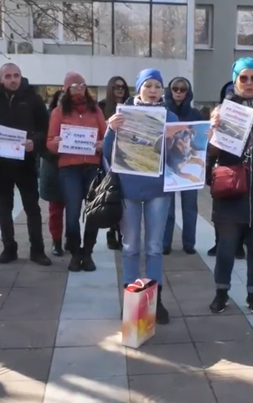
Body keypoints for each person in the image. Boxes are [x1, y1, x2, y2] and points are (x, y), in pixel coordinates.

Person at [206, 57, 253, 316]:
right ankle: (221, 292)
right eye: (244, 78)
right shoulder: (223, 110)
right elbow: (210, 153)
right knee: (226, 246)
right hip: (231, 186)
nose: (249, 83)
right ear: (235, 79)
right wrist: (212, 132)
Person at [104, 68, 178, 325]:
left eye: (158, 86)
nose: (154, 90)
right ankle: (132, 300)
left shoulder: (170, 116)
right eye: (148, 85)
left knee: (155, 248)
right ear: (139, 88)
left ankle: (155, 301)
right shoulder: (123, 115)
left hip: (158, 190)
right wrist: (111, 129)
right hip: (129, 189)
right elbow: (107, 153)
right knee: (131, 246)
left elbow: (182, 152)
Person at [0, 63, 51, 266]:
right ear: (1, 79)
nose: (13, 79)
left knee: (32, 208)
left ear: (21, 77)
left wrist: (34, 142)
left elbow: (45, 128)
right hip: (1, 163)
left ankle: (38, 250)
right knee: (4, 207)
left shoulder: (33, 98)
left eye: (16, 75)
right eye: (8, 76)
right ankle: (9, 248)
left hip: (26, 162)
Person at [47, 72, 107, 271]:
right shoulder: (58, 112)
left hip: (92, 168)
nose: (79, 89)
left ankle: (87, 252)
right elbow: (50, 142)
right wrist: (56, 144)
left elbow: (107, 137)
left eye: (82, 85)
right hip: (69, 169)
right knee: (72, 214)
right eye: (74, 86)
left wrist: (101, 144)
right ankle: (74, 253)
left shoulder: (95, 110)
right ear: (66, 89)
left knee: (92, 213)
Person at [206, 81, 246, 260]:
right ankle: (219, 242)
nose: (232, 96)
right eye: (229, 93)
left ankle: (238, 246)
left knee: (240, 208)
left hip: (242, 167)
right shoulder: (217, 114)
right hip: (221, 167)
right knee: (219, 210)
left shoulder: (250, 115)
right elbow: (210, 146)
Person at [163, 76, 203, 255]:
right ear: (170, 91)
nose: (179, 92)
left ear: (189, 92)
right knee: (167, 209)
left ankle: (189, 244)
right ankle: (165, 243)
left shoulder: (195, 114)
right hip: (167, 165)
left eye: (183, 89)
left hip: (188, 165)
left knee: (190, 207)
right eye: (175, 88)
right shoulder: (162, 112)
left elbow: (202, 137)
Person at [99, 76, 130, 250]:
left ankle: (123, 232)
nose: (120, 90)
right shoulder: (102, 107)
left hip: (126, 156)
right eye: (116, 87)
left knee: (125, 198)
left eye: (123, 87)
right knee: (111, 196)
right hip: (107, 157)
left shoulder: (131, 106)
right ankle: (112, 232)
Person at [40, 90, 65, 256]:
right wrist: (51, 147)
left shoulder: (79, 117)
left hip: (73, 168)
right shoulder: (47, 119)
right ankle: (56, 241)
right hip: (53, 169)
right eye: (62, 100)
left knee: (74, 210)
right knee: (55, 210)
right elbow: (40, 144)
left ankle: (72, 239)